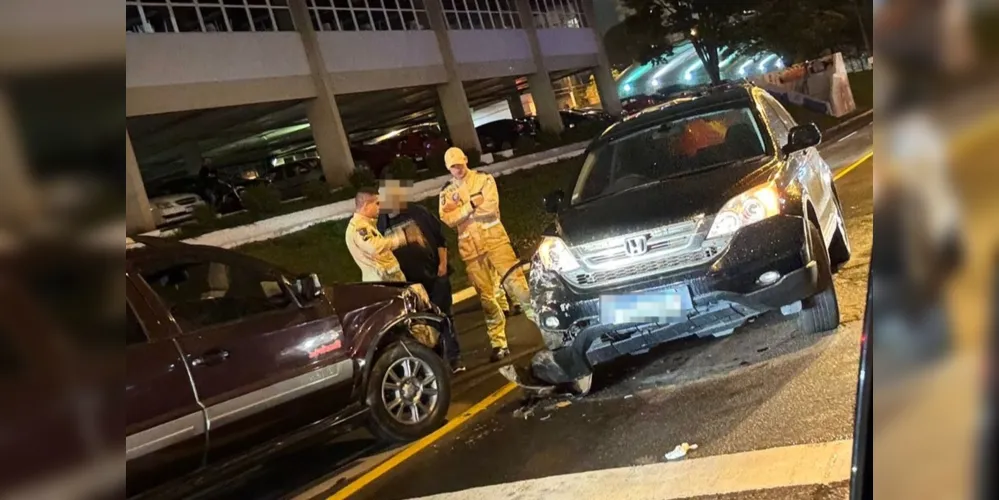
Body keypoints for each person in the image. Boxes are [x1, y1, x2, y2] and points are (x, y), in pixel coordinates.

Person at [438, 147, 533, 362]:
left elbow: (490, 208)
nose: (457, 169)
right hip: (471, 252)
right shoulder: (446, 192)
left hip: (495, 242)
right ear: (448, 168)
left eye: (459, 164)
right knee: (487, 298)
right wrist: (471, 204)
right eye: (453, 166)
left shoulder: (484, 179)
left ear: (465, 160)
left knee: (518, 287)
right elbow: (448, 219)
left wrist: (461, 208)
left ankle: (547, 328)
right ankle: (499, 344)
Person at [377, 180, 465, 373]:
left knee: (444, 317)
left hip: (435, 276)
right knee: (421, 325)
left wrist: (442, 264)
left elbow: (441, 239)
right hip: (410, 285)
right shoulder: (381, 223)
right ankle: (434, 364)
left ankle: (454, 358)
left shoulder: (419, 213)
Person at [345, 188, 423, 282]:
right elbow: (375, 247)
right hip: (382, 281)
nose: (380, 207)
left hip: (387, 279)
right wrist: (404, 237)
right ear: (366, 205)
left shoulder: (366, 225)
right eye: (377, 203)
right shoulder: (359, 227)